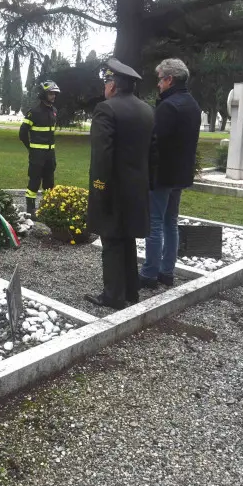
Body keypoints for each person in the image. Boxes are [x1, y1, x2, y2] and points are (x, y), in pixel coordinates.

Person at [85, 59, 155, 310]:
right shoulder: (146, 110)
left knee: (112, 241)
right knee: (127, 238)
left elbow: (102, 155)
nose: (105, 87)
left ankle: (113, 295)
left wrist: (99, 187)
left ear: (113, 86)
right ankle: (131, 290)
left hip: (113, 187)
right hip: (136, 186)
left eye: (107, 82)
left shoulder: (106, 109)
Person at [141, 58, 202, 290]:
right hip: (180, 173)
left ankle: (149, 274)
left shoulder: (168, 106)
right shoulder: (192, 104)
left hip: (163, 173)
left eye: (160, 79)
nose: (158, 85)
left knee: (155, 223)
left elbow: (156, 142)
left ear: (170, 79)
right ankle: (167, 272)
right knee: (170, 222)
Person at [19, 79, 60, 215]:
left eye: (54, 94)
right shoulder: (34, 112)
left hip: (50, 154)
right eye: (50, 94)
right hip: (37, 154)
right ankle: (30, 210)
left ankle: (47, 209)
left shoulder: (54, 110)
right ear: (43, 94)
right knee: (35, 181)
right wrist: (31, 148)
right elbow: (22, 133)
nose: (53, 96)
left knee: (49, 182)